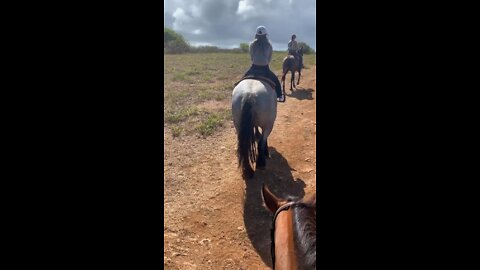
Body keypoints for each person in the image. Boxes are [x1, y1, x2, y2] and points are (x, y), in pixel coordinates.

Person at [243, 26, 284, 102]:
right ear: (265, 35)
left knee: (243, 78)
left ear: (256, 34)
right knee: (276, 80)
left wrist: (255, 60)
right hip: (264, 68)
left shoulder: (252, 44)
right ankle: (280, 96)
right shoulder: (269, 45)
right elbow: (269, 58)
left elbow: (251, 56)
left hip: (254, 67)